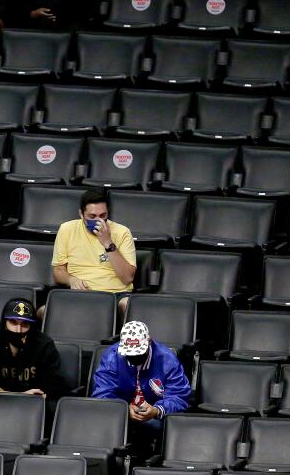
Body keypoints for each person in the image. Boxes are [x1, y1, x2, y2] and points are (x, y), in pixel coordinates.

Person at [92, 321, 191, 453]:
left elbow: (179, 396)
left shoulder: (167, 359)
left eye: (138, 353)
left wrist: (156, 410)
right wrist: (124, 408)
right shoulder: (112, 356)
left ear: (149, 342)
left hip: (156, 416)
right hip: (120, 414)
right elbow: (101, 393)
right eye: (130, 353)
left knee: (155, 427)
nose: (133, 356)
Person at [48, 188, 136, 319]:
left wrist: (108, 243)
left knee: (128, 305)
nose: (98, 221)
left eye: (103, 216)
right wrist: (70, 279)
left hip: (116, 294)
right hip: (81, 293)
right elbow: (58, 271)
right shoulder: (67, 229)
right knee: (44, 312)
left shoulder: (122, 232)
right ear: (81, 214)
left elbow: (127, 278)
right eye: (92, 216)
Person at [0, 298, 66, 397]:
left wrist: (38, 396)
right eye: (13, 322)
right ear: (4, 323)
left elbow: (55, 386)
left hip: (34, 403)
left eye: (25, 324)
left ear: (32, 326)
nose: (18, 330)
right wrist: (18, 395)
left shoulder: (45, 345)